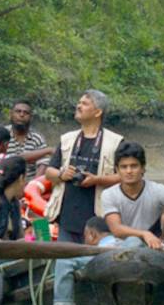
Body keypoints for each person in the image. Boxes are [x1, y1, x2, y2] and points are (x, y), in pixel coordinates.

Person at [44, 90, 124, 243]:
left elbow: (125, 177)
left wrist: (97, 180)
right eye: (79, 102)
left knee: (96, 264)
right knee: (65, 263)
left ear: (98, 112)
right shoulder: (67, 139)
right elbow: (49, 172)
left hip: (100, 220)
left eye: (85, 104)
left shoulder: (116, 142)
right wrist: (62, 174)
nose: (78, 106)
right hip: (67, 218)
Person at [46, 216, 119, 305]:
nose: (85, 241)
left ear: (92, 235)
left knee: (64, 262)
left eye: (85, 236)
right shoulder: (128, 242)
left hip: (106, 258)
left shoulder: (101, 249)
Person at [6, 100, 54, 179]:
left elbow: (44, 163)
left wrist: (33, 185)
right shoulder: (2, 134)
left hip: (29, 182)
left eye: (26, 113)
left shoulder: (36, 138)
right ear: (11, 114)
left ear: (31, 117)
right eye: (18, 111)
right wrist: (47, 150)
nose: (22, 115)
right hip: (4, 183)